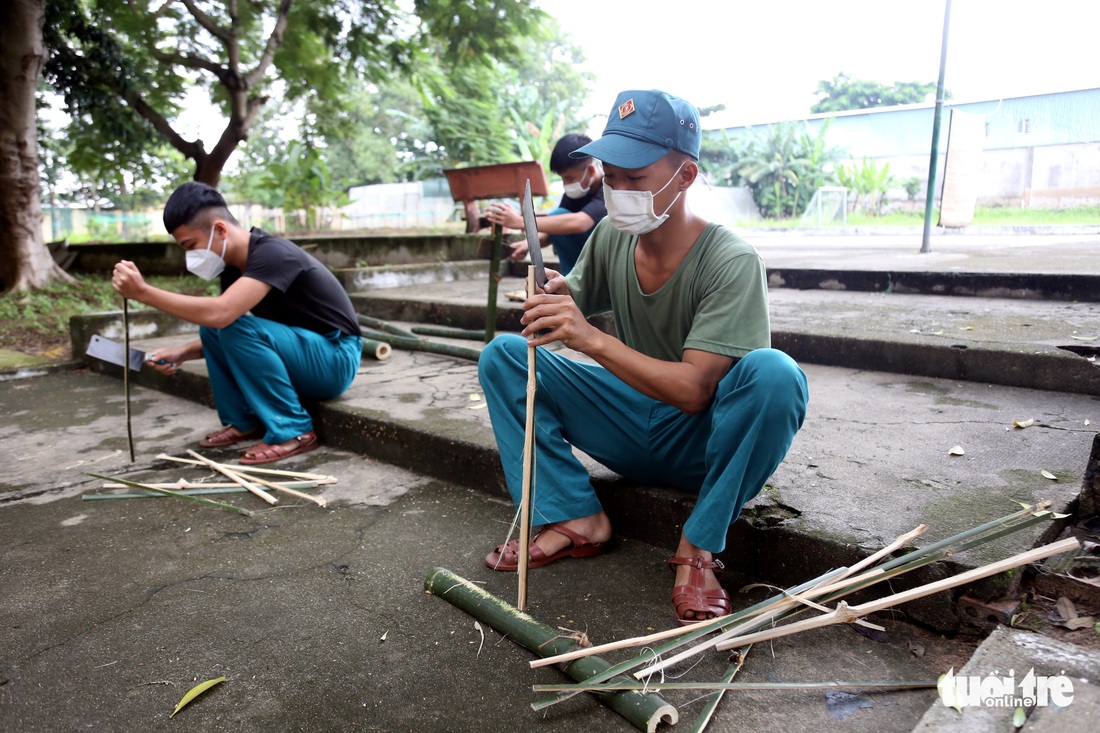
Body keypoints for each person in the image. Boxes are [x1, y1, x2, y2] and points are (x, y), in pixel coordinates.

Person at [478, 90, 809, 626]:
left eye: (636, 178)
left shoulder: (731, 260)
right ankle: (573, 517)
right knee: (503, 356)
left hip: (699, 441)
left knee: (775, 375)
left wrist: (591, 339)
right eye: (610, 178)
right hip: (629, 423)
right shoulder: (609, 236)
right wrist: (556, 292)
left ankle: (698, 547)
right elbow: (574, 301)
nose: (619, 191)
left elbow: (696, 390)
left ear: (685, 176)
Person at [110, 182, 363, 465]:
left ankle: (294, 431)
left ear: (219, 229)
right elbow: (227, 327)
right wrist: (182, 353)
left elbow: (223, 314)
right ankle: (246, 420)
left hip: (335, 358)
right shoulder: (233, 269)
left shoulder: (273, 254)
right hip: (307, 353)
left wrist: (143, 292)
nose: (190, 256)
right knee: (215, 325)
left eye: (190, 246)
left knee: (223, 320)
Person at [485, 133, 606, 274]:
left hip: (608, 256)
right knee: (558, 217)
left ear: (591, 170)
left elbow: (581, 222)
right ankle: (573, 283)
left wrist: (521, 222)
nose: (566, 184)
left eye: (569, 178)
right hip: (588, 258)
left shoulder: (608, 187)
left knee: (558, 215)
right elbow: (555, 230)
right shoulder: (576, 192)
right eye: (562, 179)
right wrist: (528, 245)